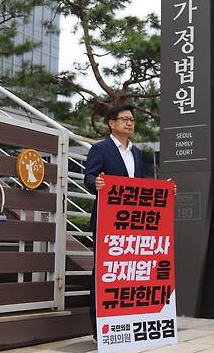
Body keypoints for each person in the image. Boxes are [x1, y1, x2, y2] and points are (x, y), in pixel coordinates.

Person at [84, 105, 144, 340]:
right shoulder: (101, 149)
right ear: (112, 123)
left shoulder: (137, 153)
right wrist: (95, 184)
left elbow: (141, 185)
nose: (129, 123)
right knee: (103, 272)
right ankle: (100, 328)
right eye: (125, 119)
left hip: (132, 222)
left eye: (132, 120)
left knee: (129, 272)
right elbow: (89, 176)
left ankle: (126, 323)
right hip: (107, 221)